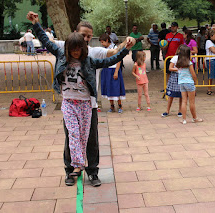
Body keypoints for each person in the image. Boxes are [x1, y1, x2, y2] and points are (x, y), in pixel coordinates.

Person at [28, 11, 135, 187]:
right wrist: (36, 24)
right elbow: (47, 42)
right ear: (75, 35)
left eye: (88, 37)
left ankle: (92, 171)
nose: (84, 41)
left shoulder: (91, 56)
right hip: (69, 103)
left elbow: (113, 56)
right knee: (72, 136)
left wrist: (127, 46)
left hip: (88, 104)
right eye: (82, 36)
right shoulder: (64, 48)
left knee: (89, 139)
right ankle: (73, 170)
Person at [169, 45, 202, 124]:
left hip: (181, 83)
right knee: (192, 102)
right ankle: (195, 117)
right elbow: (193, 74)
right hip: (189, 83)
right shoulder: (189, 63)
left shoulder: (179, 64)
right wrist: (195, 81)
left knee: (184, 101)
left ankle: (184, 119)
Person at [99, 33, 125, 113]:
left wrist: (116, 71)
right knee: (108, 88)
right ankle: (112, 106)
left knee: (116, 87)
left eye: (103, 42)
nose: (102, 44)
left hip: (114, 69)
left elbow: (119, 60)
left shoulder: (115, 48)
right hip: (106, 70)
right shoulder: (103, 49)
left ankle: (120, 106)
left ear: (107, 40)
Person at [161, 46, 182, 118]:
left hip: (182, 77)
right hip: (174, 77)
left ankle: (180, 110)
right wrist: (177, 69)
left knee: (181, 95)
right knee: (171, 95)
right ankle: (167, 110)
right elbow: (170, 68)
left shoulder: (186, 58)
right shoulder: (175, 58)